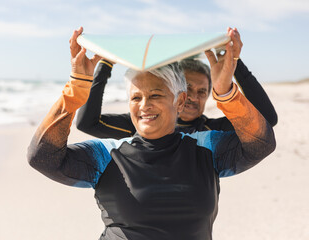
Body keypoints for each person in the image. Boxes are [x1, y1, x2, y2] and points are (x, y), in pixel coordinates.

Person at [27, 27, 276, 240]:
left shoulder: (207, 146)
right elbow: (42, 157)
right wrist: (76, 91)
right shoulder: (107, 155)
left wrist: (227, 93)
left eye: (155, 95)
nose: (144, 105)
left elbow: (261, 143)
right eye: (136, 97)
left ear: (179, 101)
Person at [76, 28, 277, 138]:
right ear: (176, 92)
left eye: (202, 92)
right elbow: (87, 124)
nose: (193, 97)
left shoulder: (211, 131)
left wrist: (234, 63)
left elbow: (266, 121)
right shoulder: (144, 122)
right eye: (188, 89)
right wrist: (106, 62)